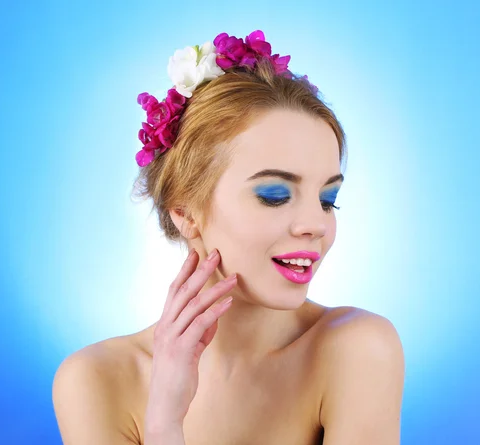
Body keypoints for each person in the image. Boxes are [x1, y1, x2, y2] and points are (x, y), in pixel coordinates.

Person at [52, 30, 405, 445]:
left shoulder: (357, 350)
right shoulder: (95, 380)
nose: (316, 224)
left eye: (329, 199)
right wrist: (164, 422)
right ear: (185, 212)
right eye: (275, 196)